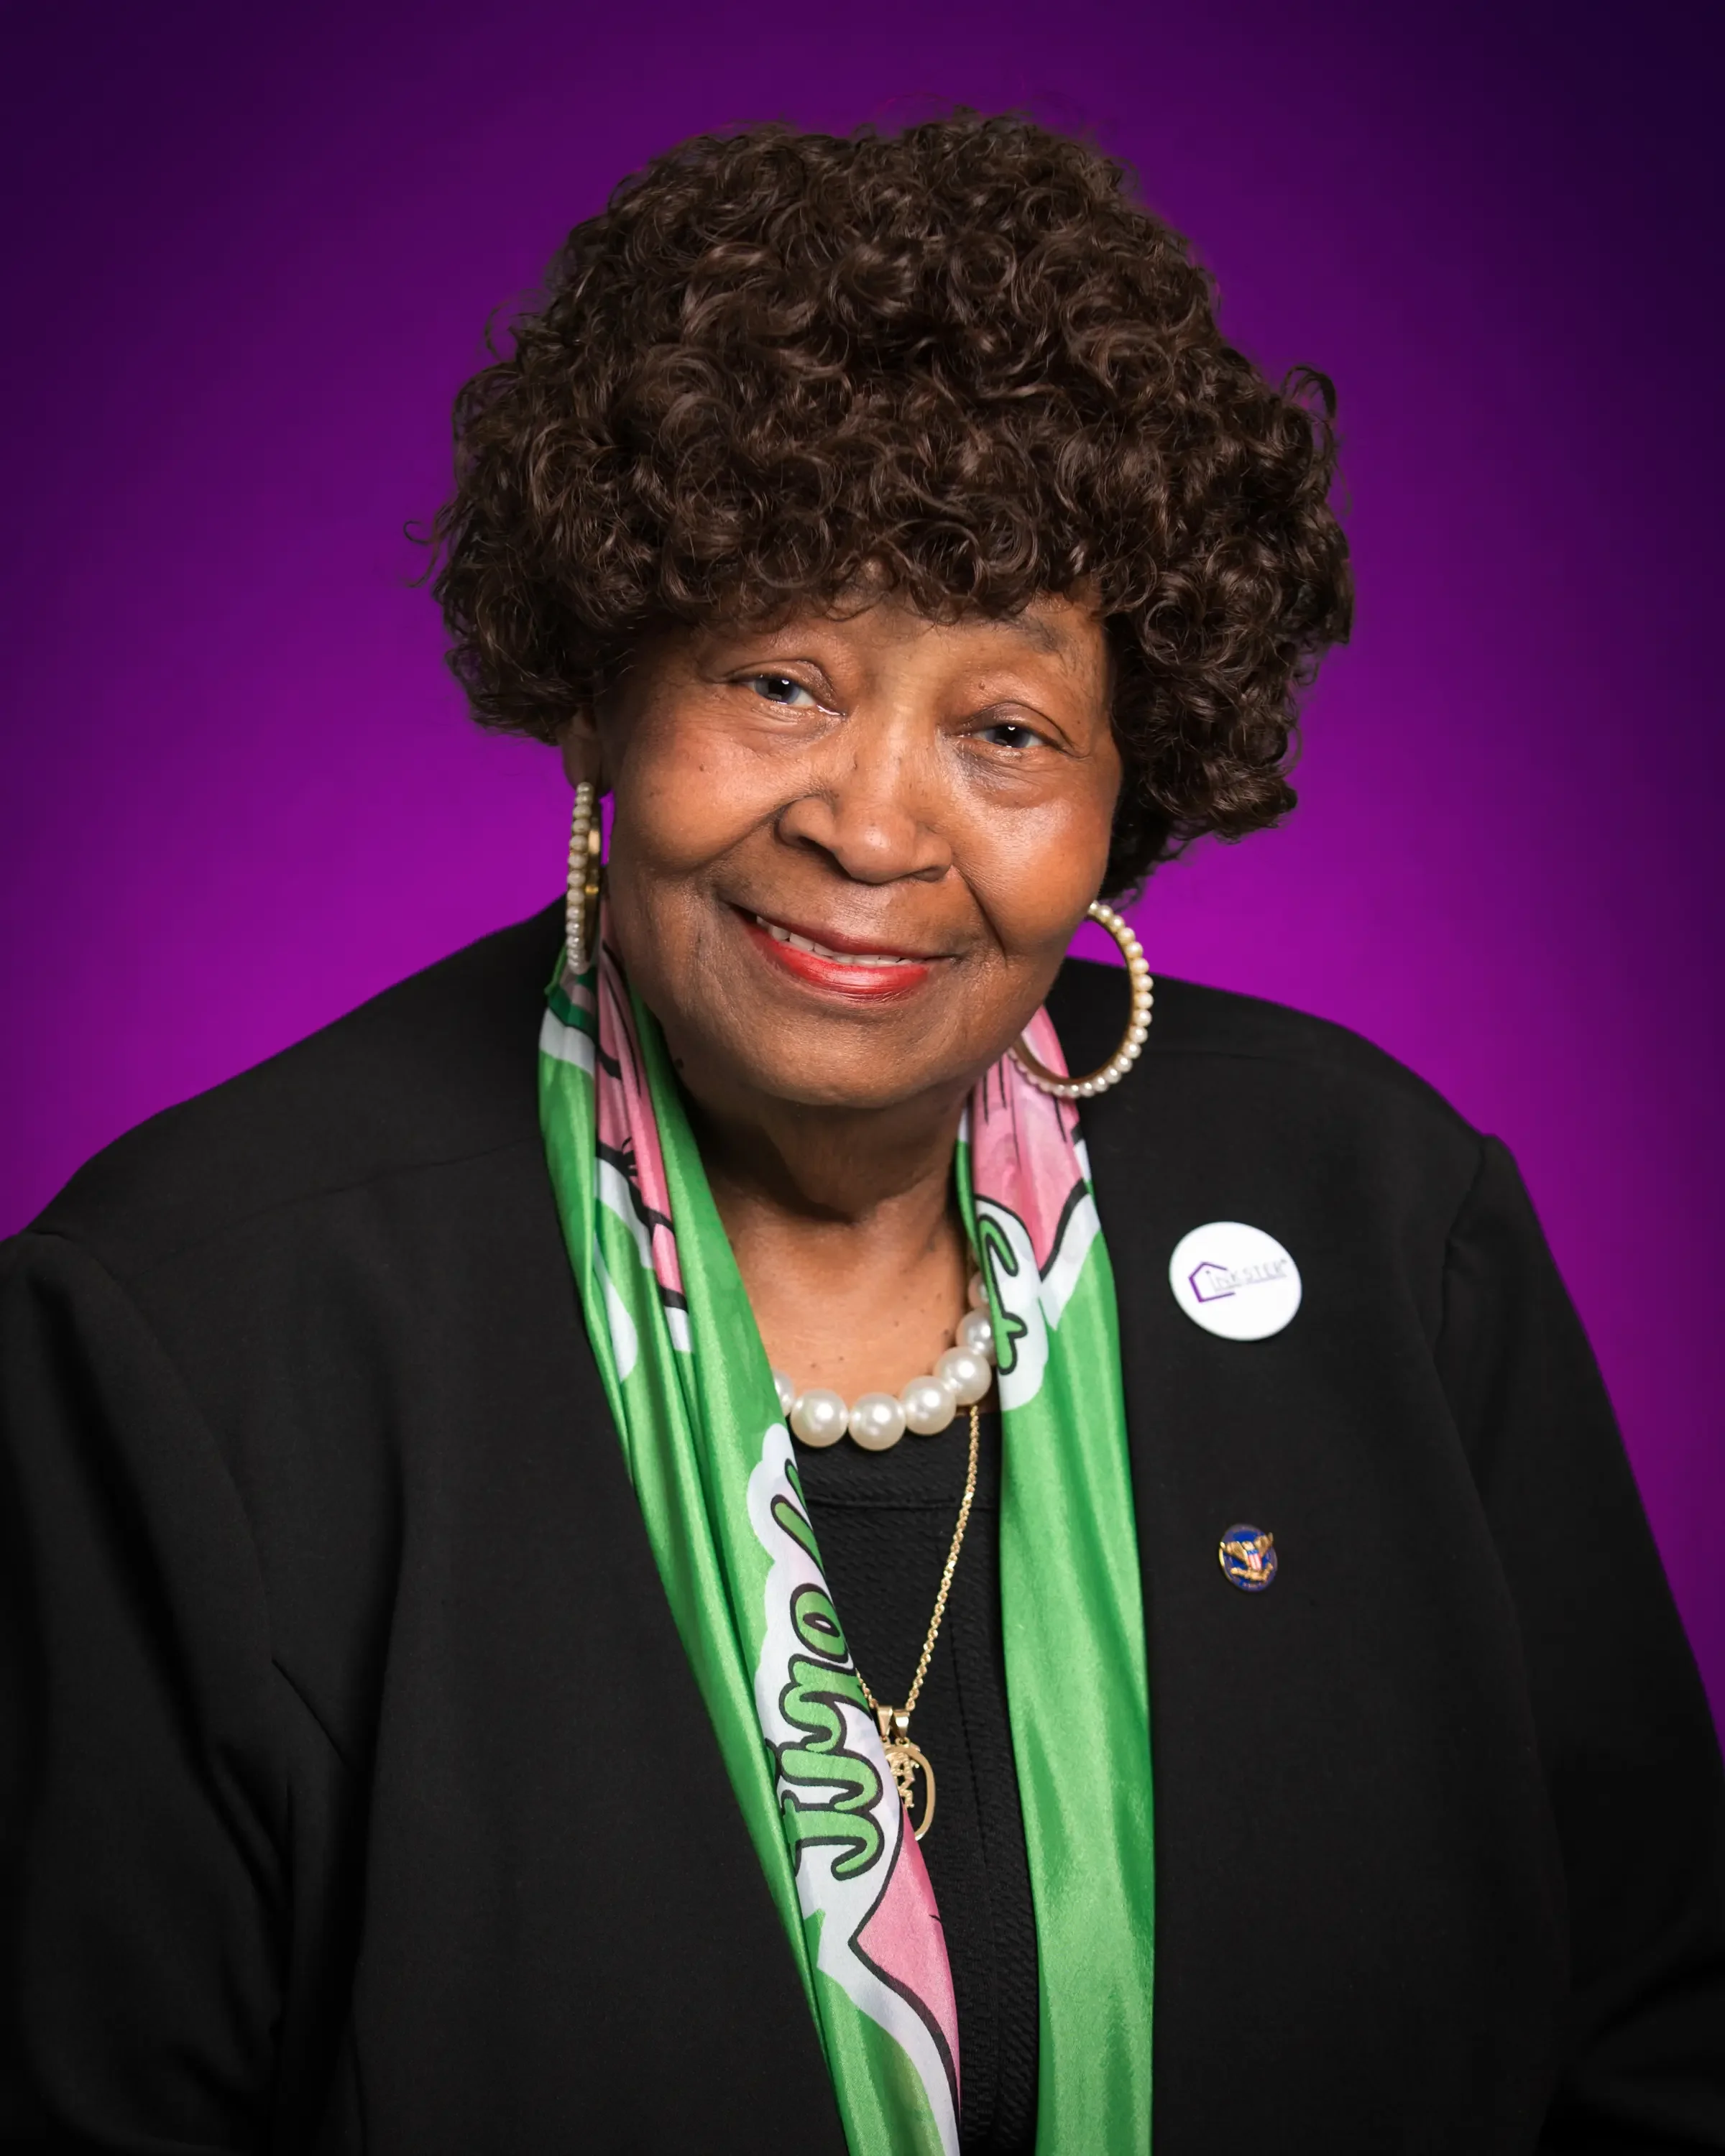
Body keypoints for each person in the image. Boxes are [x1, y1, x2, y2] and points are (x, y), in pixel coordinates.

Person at [2, 111, 1721, 2156]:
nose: (875, 828)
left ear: (1122, 793)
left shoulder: (1385, 1227)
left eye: (1004, 728)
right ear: (602, 697)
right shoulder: (188, 1339)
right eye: (783, 681)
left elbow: (1659, 2048)